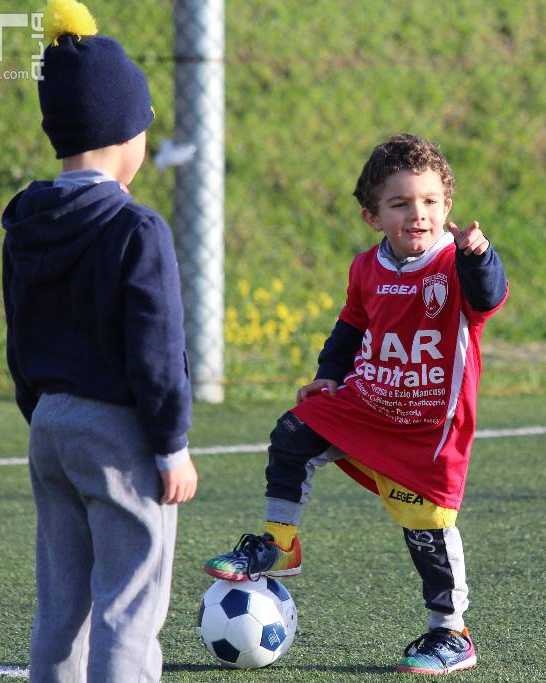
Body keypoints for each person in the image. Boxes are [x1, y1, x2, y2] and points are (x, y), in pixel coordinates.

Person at [204, 133, 507, 675]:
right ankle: (279, 545)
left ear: (448, 208)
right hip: (365, 406)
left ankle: (451, 633)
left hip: (426, 430)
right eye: (401, 203)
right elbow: (350, 326)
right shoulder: (366, 268)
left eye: (431, 202)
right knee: (293, 432)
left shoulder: (455, 265)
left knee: (428, 530)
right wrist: (328, 376)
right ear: (373, 216)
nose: (418, 214)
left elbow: (487, 296)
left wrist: (479, 255)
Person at [1, 1, 197, 680]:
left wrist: (43, 410)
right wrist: (171, 445)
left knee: (62, 601)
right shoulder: (138, 230)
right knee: (130, 600)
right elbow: (157, 349)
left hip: (50, 425)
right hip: (119, 435)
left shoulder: (27, 218)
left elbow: (17, 327)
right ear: (127, 133)